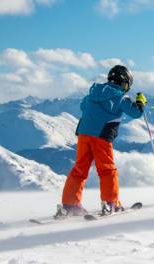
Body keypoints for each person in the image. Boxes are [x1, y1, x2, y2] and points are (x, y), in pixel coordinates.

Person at [57, 65, 147, 217]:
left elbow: (83, 106)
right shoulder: (120, 97)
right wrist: (140, 102)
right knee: (106, 170)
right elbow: (136, 113)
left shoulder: (92, 93)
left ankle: (69, 205)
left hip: (84, 135)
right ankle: (110, 203)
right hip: (101, 136)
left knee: (79, 169)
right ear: (124, 83)